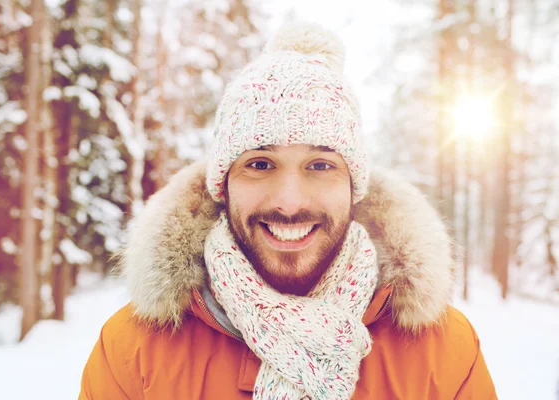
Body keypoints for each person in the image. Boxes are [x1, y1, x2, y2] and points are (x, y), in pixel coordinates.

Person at [79, 22, 497, 399]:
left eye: (320, 166)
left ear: (355, 187)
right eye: (260, 164)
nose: (290, 202)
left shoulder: (444, 355)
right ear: (222, 187)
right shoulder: (132, 354)